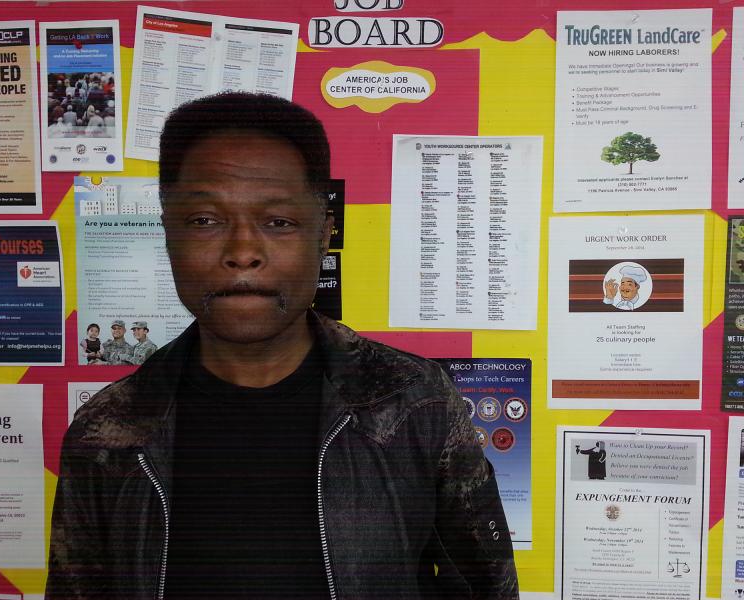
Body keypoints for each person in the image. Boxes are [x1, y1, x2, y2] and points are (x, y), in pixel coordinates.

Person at [46, 92, 518, 599]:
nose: (243, 252)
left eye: (278, 222)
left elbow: (485, 585)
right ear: (168, 237)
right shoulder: (107, 433)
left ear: (324, 237)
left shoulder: (415, 403)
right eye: (205, 220)